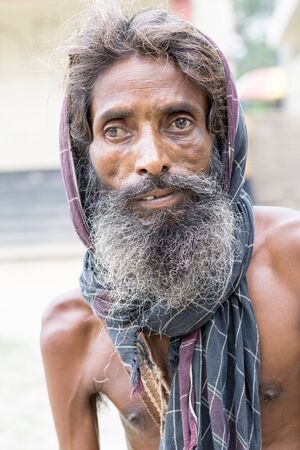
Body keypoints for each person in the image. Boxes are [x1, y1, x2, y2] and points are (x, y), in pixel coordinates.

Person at [40, 5, 300, 450]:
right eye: (117, 130)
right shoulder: (72, 330)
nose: (152, 158)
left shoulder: (291, 262)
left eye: (179, 122)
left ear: (219, 136)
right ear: (85, 159)